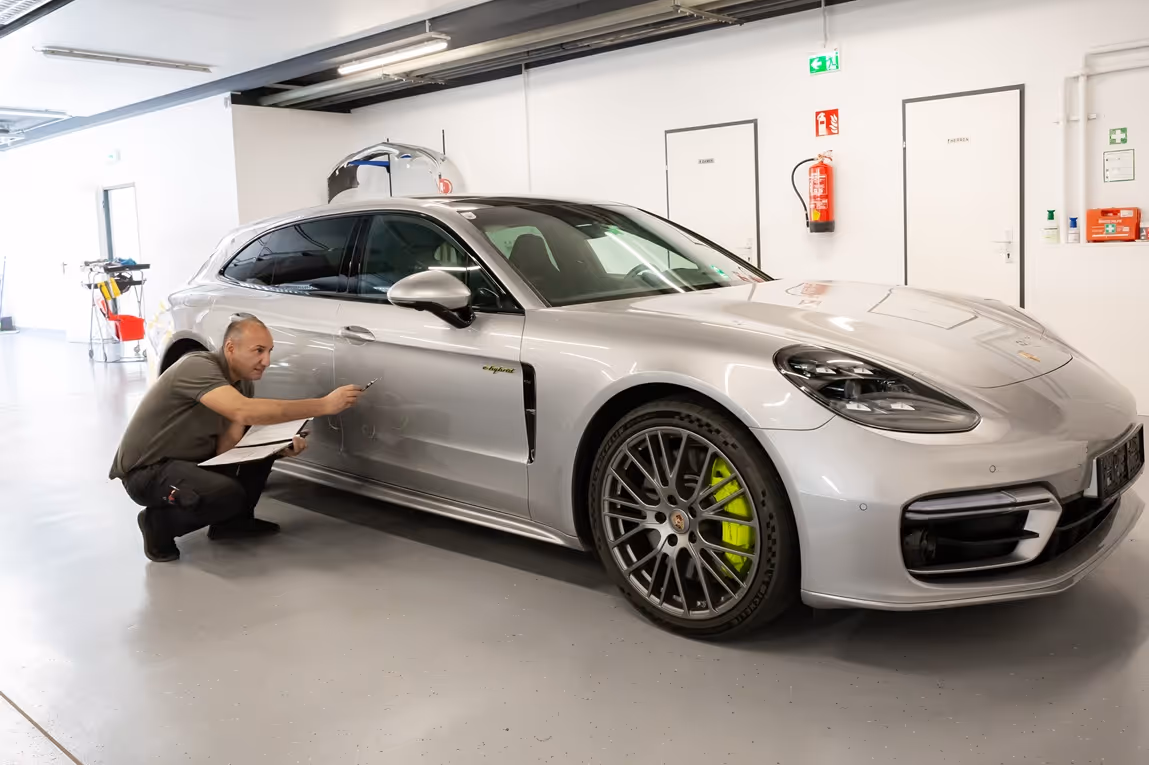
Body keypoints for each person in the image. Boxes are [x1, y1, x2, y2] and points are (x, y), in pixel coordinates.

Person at [110, 317, 362, 562]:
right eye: (258, 351)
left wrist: (276, 448)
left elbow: (228, 448)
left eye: (269, 351)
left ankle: (233, 523)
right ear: (231, 348)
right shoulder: (196, 366)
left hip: (185, 465)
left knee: (258, 455)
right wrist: (323, 404)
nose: (267, 361)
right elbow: (243, 410)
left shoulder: (241, 383)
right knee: (225, 493)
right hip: (148, 473)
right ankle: (158, 525)